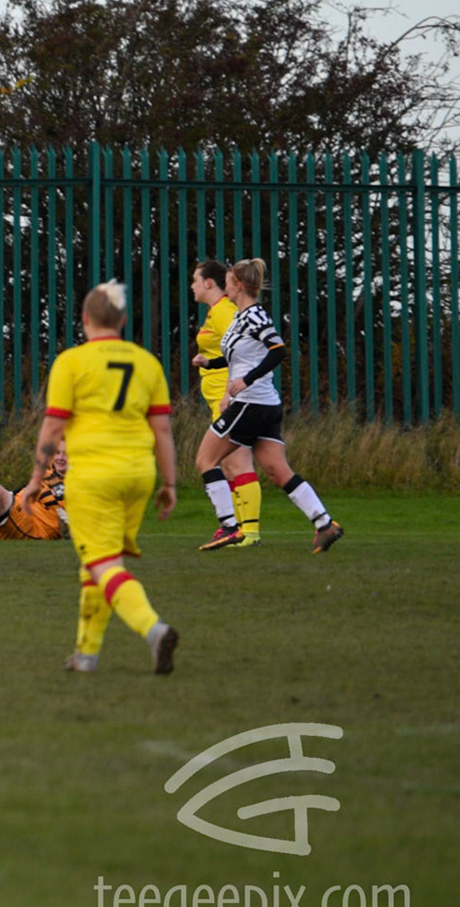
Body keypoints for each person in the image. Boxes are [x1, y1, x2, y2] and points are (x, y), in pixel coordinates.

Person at [37, 281, 179, 675]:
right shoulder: (147, 362)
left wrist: (36, 478)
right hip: (138, 474)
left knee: (103, 564)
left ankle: (154, 629)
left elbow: (52, 429)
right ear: (122, 320)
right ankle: (86, 654)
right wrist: (169, 484)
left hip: (94, 476)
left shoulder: (72, 362)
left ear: (84, 319)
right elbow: (163, 431)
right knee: (96, 563)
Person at [193, 258, 345, 553]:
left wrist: (246, 381)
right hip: (265, 406)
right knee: (278, 470)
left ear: (238, 285)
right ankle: (324, 523)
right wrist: (209, 363)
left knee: (205, 460)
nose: (224, 286)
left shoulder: (254, 316)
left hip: (251, 403)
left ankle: (229, 527)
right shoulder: (239, 317)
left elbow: (278, 350)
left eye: (227, 282)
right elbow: (239, 356)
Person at [191, 259, 261, 547]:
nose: (192, 286)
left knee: (237, 462)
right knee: (231, 465)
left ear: (209, 282)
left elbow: (244, 351)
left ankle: (245, 530)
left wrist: (229, 394)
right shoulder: (214, 313)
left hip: (230, 398)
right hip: (219, 399)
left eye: (195, 280)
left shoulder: (224, 311)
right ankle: (239, 529)